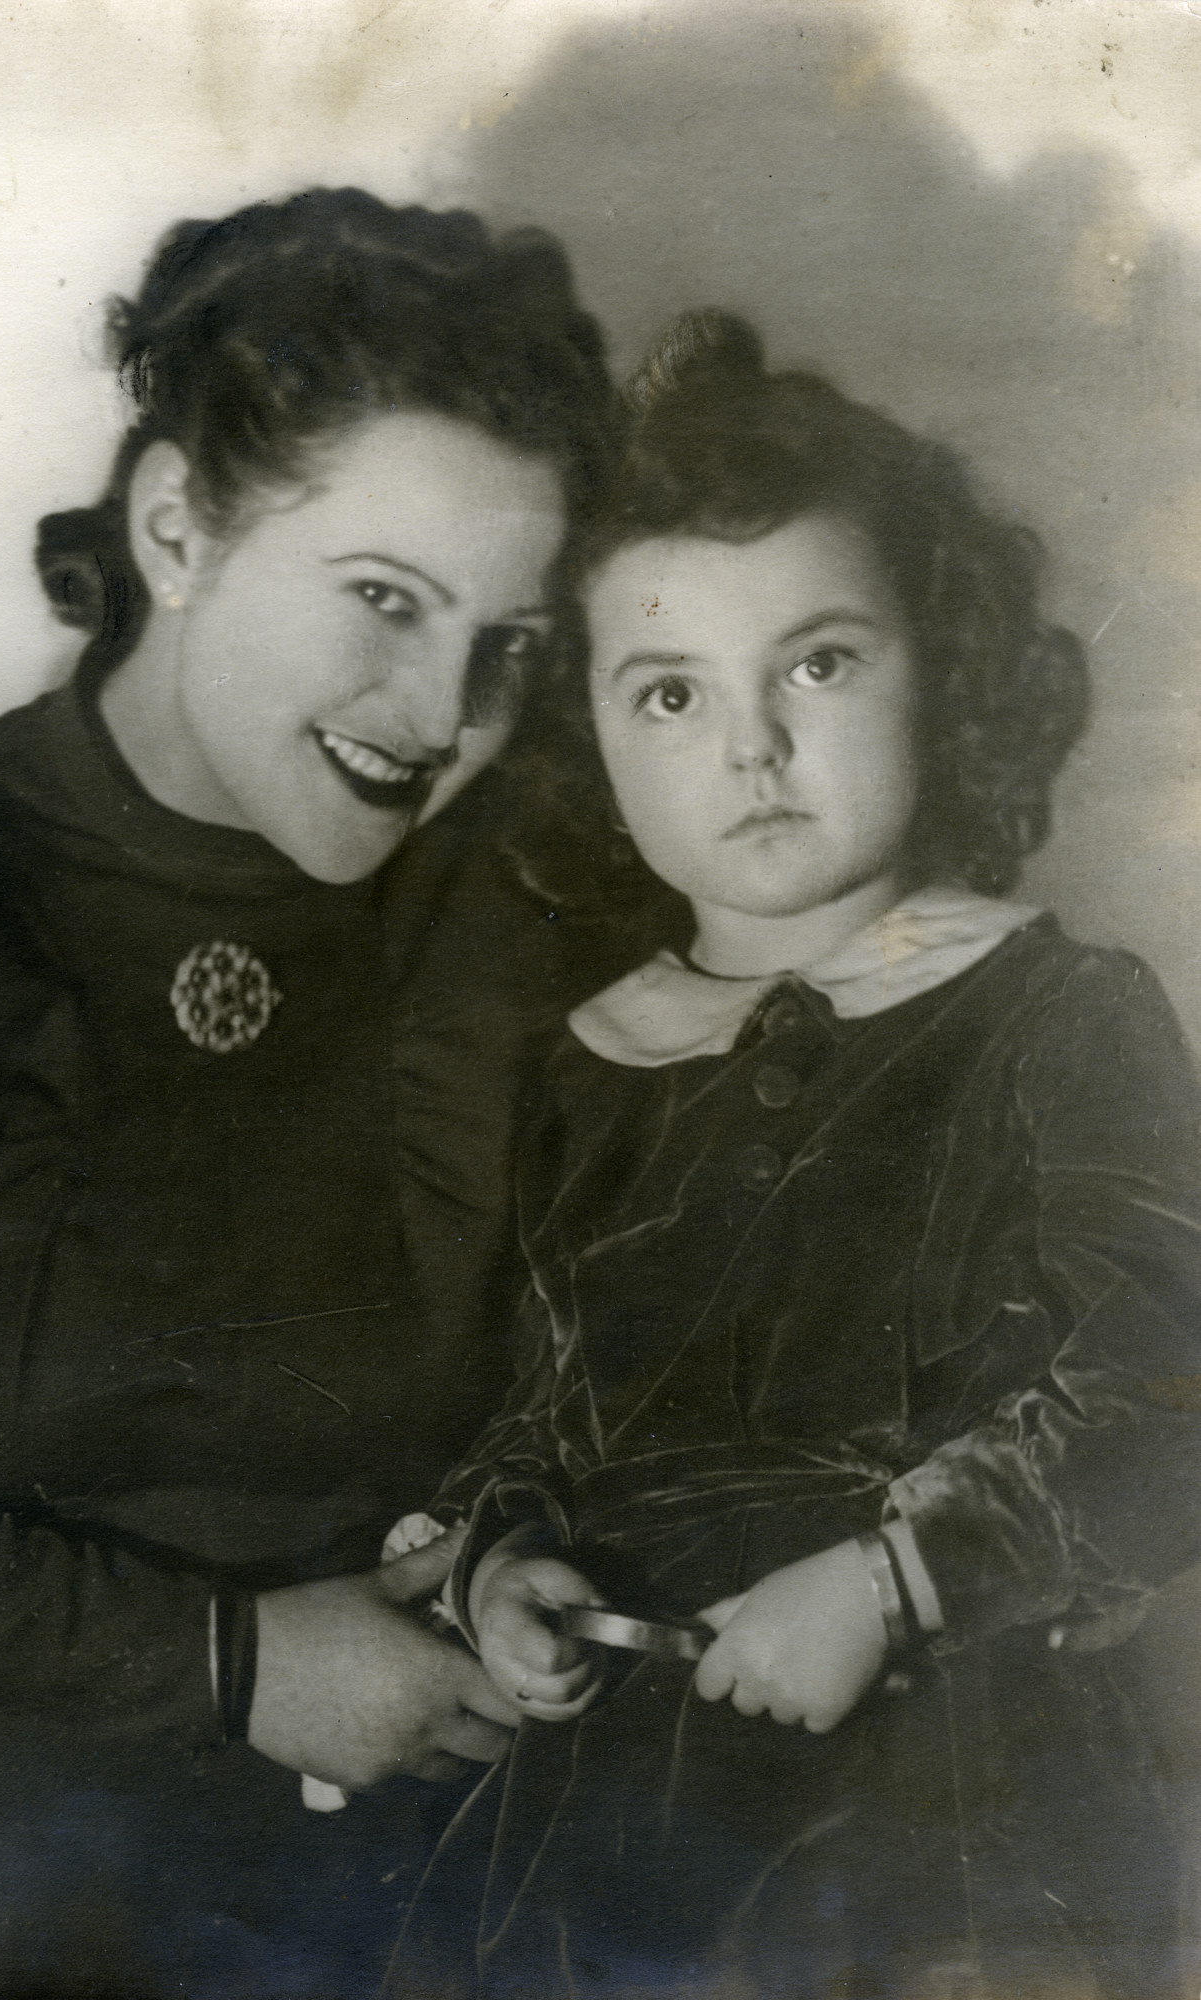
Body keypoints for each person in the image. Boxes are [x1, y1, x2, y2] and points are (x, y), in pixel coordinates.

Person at [0, 188, 619, 1999]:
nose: (439, 711)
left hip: (392, 1921)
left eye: (507, 641)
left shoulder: (508, 922)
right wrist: (227, 1664)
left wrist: (515, 1561)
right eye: (381, 601)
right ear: (177, 523)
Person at [382, 312, 1201, 1999]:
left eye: (816, 664)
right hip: (614, 1818)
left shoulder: (1054, 1012)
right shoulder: (575, 1073)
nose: (748, 746)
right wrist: (503, 1569)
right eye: (669, 693)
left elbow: (1165, 1384)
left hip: (953, 1785)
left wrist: (897, 1582)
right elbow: (523, 1416)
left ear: (943, 665)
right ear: (585, 745)